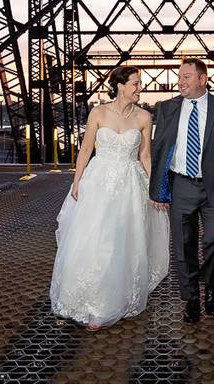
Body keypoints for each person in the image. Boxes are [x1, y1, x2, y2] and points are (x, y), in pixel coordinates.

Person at [50, 66, 170, 331]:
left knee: (122, 242)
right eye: (135, 83)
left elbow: (145, 156)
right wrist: (76, 181)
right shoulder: (98, 112)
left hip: (130, 186)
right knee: (95, 240)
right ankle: (88, 302)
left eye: (139, 84)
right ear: (119, 85)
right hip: (98, 183)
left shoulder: (144, 117)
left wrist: (156, 190)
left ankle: (111, 302)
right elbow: (85, 150)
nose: (140, 88)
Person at [149, 59, 214, 323]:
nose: (180, 82)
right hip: (181, 185)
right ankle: (191, 297)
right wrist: (157, 191)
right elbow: (159, 150)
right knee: (184, 246)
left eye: (187, 77)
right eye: (179, 77)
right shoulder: (167, 108)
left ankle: (212, 284)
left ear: (203, 80)